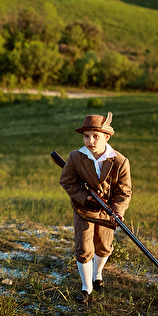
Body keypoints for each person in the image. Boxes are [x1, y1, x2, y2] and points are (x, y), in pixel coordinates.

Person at [59, 112, 132, 304]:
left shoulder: (120, 161)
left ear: (106, 137)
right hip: (83, 209)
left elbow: (124, 191)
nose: (90, 141)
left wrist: (117, 211)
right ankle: (86, 288)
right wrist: (85, 197)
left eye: (95, 136)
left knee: (104, 246)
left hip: (107, 211)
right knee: (83, 247)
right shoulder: (76, 157)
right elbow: (67, 181)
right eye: (86, 136)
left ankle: (97, 274)